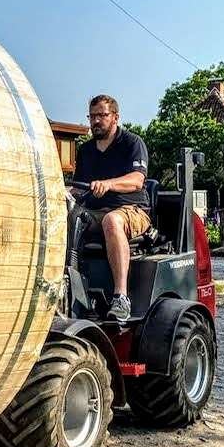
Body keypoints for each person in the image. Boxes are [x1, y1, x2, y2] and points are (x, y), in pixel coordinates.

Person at [73, 94, 151, 322]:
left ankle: (120, 297)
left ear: (115, 117)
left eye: (102, 115)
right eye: (92, 116)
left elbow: (137, 180)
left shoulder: (132, 143)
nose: (96, 121)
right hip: (95, 211)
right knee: (64, 218)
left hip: (132, 210)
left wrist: (108, 184)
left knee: (112, 220)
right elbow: (79, 189)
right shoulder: (85, 151)